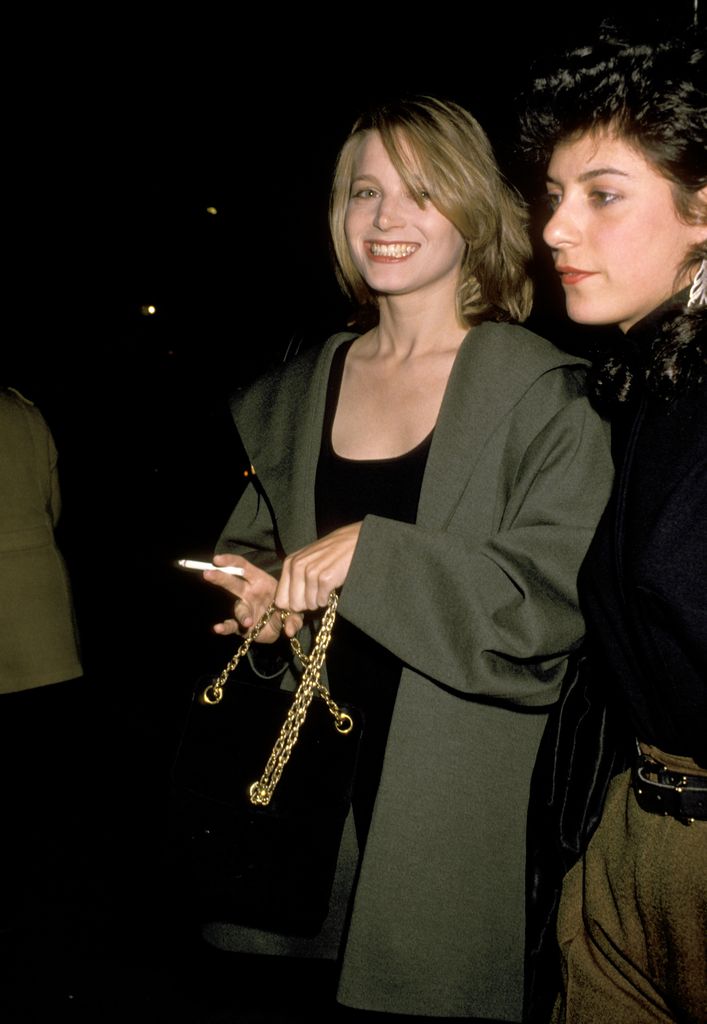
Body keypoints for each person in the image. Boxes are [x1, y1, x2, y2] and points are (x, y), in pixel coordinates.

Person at [198, 95, 614, 1022]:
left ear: (474, 212)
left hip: (448, 809)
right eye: (364, 191)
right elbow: (254, 541)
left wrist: (373, 557)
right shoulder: (295, 387)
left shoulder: (545, 395)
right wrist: (254, 593)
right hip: (297, 806)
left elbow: (548, 612)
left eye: (421, 192)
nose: (385, 218)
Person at [518, 26, 707, 1024]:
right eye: (552, 194)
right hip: (630, 842)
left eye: (600, 193)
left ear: (702, 212)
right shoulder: (640, 385)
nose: (553, 227)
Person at [0, 387, 85, 987]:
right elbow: (53, 504)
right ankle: (47, 921)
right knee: (43, 779)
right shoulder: (21, 410)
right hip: (39, 616)